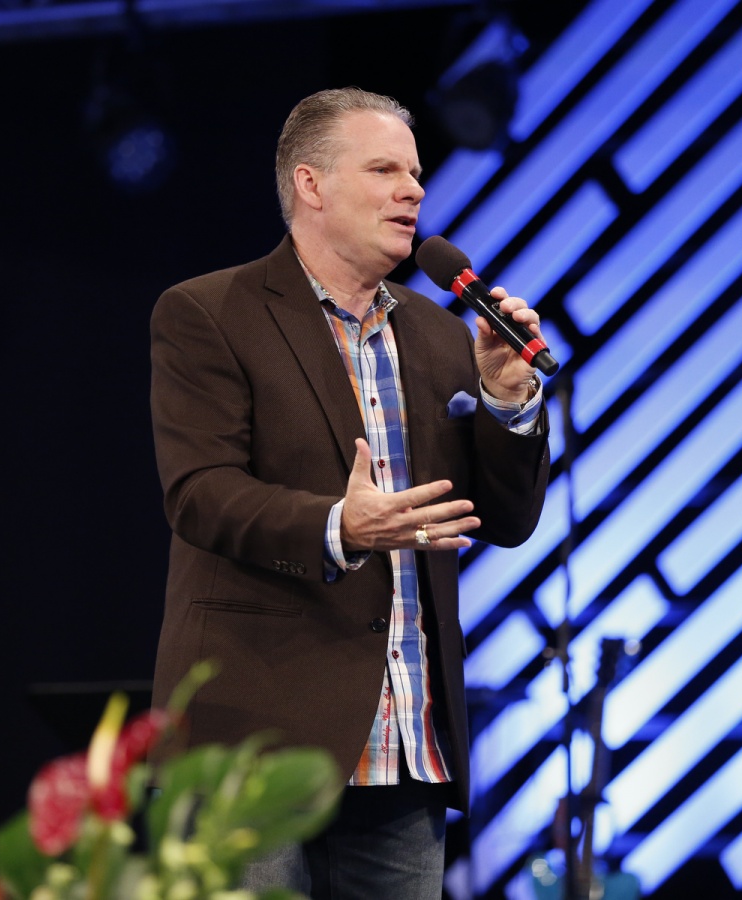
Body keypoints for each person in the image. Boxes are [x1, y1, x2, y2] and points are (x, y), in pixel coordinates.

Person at [148, 87, 551, 898]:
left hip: (405, 746)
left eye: (416, 173)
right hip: (252, 743)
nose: (414, 191)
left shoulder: (441, 333)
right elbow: (200, 493)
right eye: (385, 170)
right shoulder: (209, 312)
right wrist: (339, 525)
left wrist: (507, 404)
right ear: (311, 183)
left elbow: (504, 521)